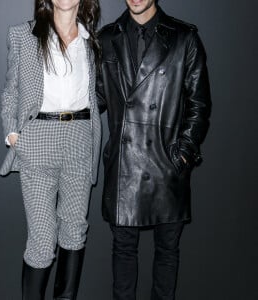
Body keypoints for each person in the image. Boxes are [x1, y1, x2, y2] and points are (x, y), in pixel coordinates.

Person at [97, 0, 211, 299]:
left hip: (167, 165)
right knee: (123, 251)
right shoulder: (107, 38)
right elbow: (93, 97)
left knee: (167, 251)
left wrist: (183, 153)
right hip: (124, 166)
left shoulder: (183, 38)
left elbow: (199, 104)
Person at [0, 0, 101, 299]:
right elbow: (11, 90)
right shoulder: (23, 34)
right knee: (43, 240)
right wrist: (13, 134)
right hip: (39, 138)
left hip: (81, 137)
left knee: (74, 231)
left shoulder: (90, 39)